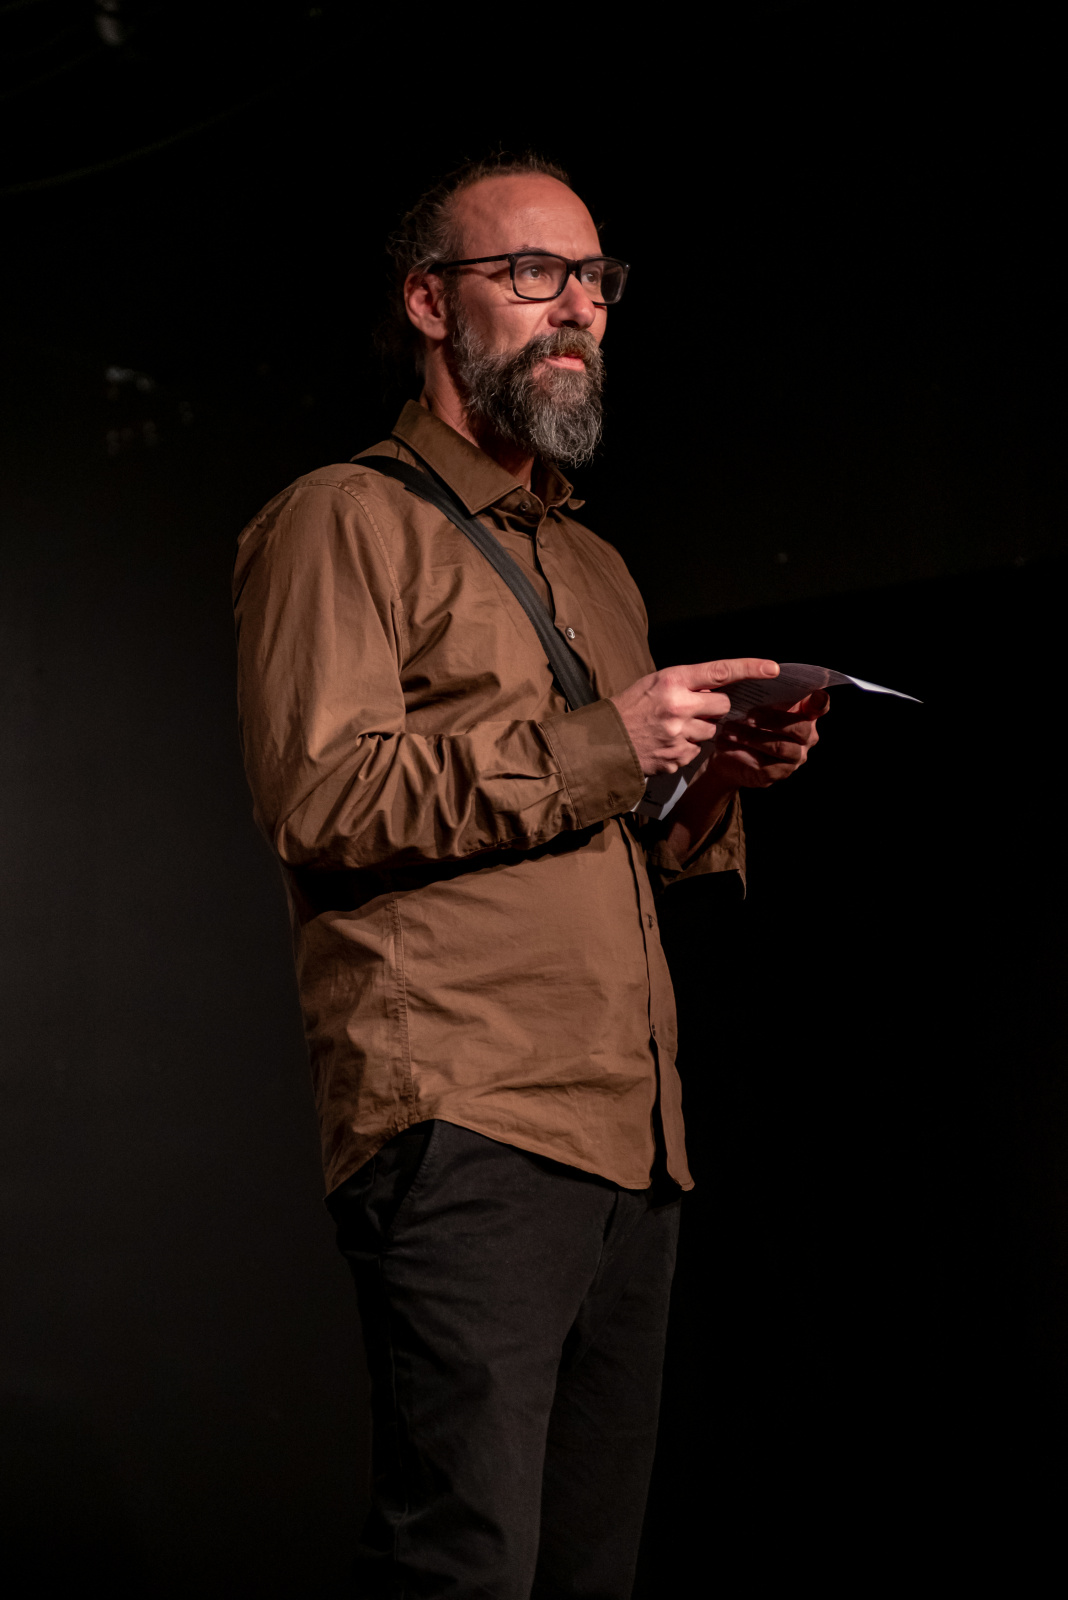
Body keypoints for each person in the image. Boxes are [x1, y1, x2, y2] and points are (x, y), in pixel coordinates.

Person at [233, 152, 828, 1600]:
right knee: (466, 1565)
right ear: (430, 304)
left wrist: (708, 782)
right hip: (468, 1114)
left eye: (595, 280)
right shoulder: (340, 519)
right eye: (533, 274)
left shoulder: (598, 567)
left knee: (585, 1574)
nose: (578, 310)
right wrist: (609, 741)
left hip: (633, 1139)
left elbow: (612, 826)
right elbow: (322, 795)